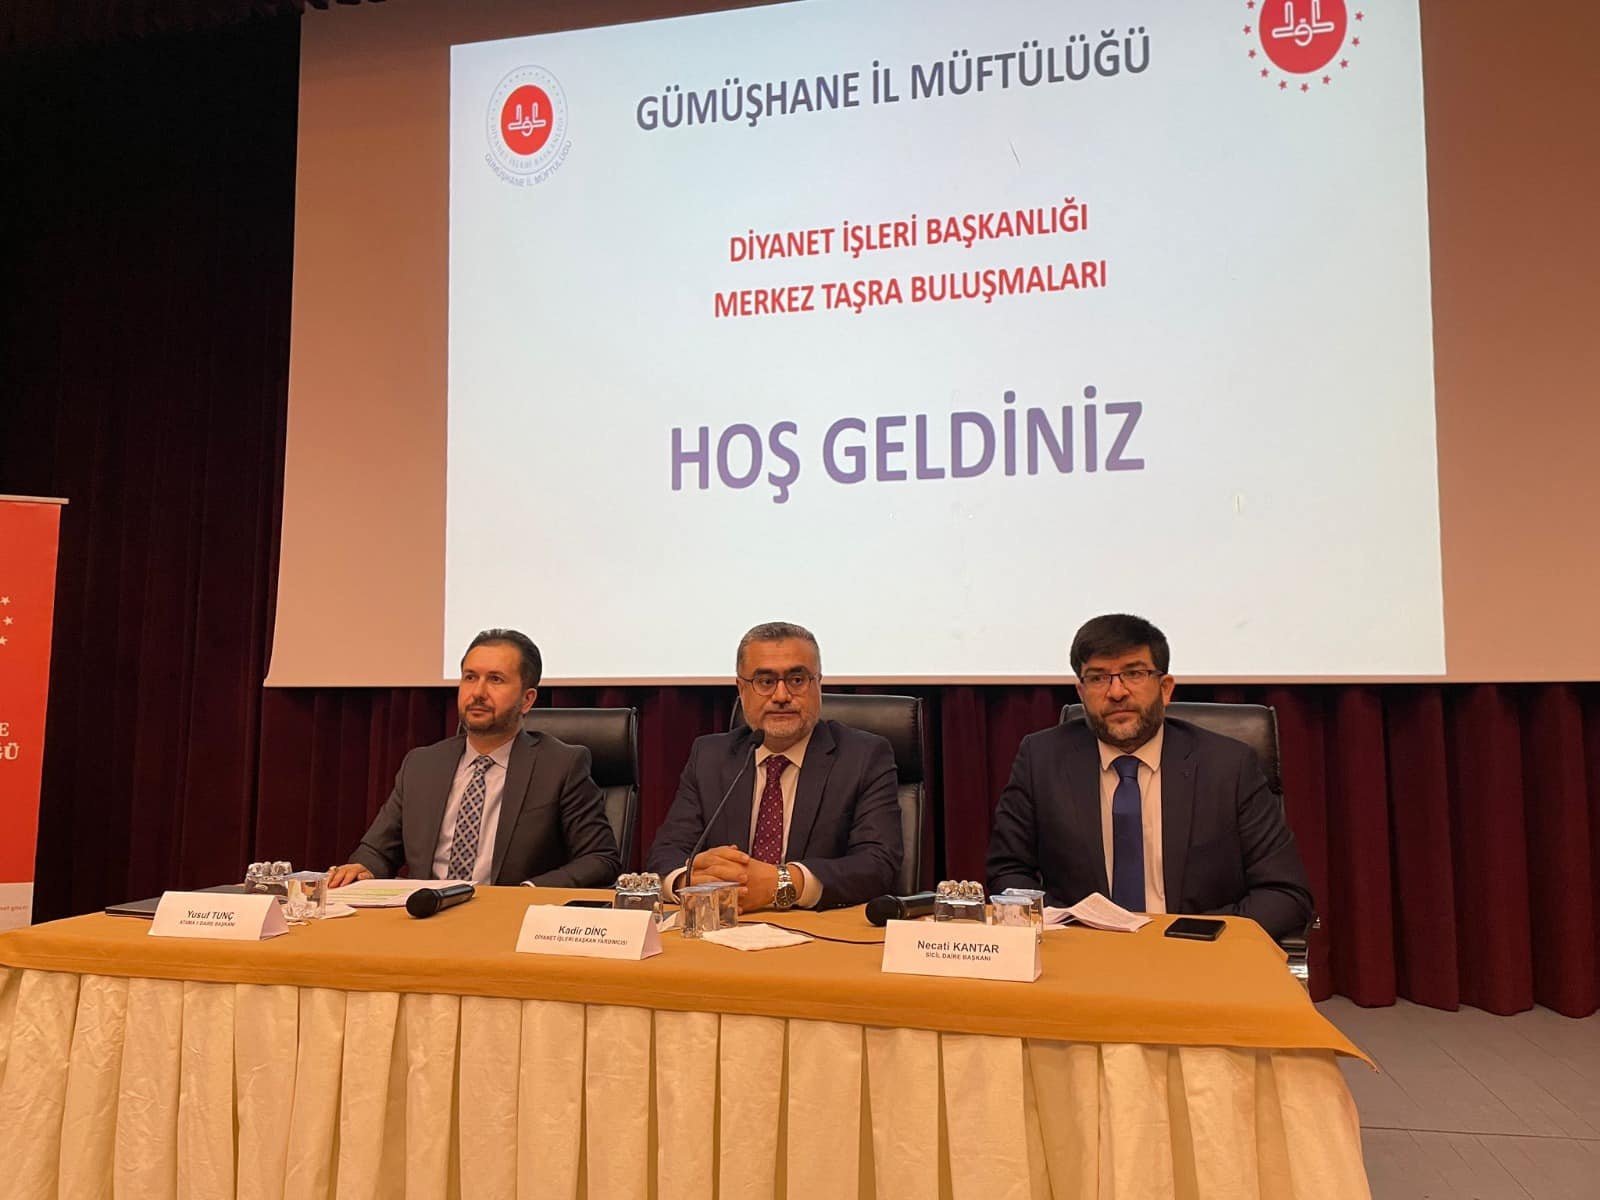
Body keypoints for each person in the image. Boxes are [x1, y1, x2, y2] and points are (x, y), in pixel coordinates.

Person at [985, 613, 1313, 941]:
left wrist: (1193, 939)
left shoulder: (1228, 765)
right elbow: (1008, 874)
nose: (1117, 692)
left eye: (1134, 673)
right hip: (1083, 953)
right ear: (1082, 693)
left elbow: (1284, 894)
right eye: (1098, 678)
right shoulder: (1041, 759)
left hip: (1196, 953)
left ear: (1165, 688)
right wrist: (1070, 935)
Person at [327, 629, 619, 889]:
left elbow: (600, 858)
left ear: (527, 699)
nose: (478, 692)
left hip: (507, 920)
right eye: (470, 677)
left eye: (495, 680)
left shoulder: (560, 766)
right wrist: (364, 867)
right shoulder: (422, 765)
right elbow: (377, 851)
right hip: (425, 917)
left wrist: (526, 893)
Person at [645, 621, 902, 911]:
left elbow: (878, 864)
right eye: (765, 682)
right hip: (728, 924)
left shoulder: (863, 756)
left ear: (818, 684)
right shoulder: (710, 756)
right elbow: (666, 853)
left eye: (797, 680)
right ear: (741, 689)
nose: (781, 696)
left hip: (816, 929)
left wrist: (783, 882)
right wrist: (689, 879)